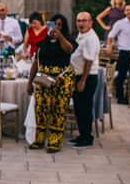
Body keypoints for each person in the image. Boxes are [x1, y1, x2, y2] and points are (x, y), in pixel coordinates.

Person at [26, 14, 76, 153]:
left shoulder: (68, 40)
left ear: (63, 27)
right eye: (55, 25)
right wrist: (30, 82)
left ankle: (55, 141)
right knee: (40, 109)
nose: (57, 27)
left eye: (60, 25)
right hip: (43, 80)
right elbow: (36, 62)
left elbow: (69, 49)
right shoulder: (43, 42)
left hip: (63, 81)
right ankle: (39, 139)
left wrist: (60, 37)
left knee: (58, 110)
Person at [70, 12, 101, 149]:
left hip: (86, 78)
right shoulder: (82, 34)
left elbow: (89, 61)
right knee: (79, 108)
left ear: (90, 22)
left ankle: (87, 139)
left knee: (85, 109)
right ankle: (82, 135)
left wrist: (82, 81)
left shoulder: (91, 38)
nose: (80, 23)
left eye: (84, 21)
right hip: (79, 76)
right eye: (78, 20)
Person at [107, 4, 130, 104]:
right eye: (127, 10)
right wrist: (110, 46)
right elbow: (110, 36)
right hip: (124, 52)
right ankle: (120, 97)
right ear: (125, 12)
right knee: (121, 76)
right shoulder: (120, 23)